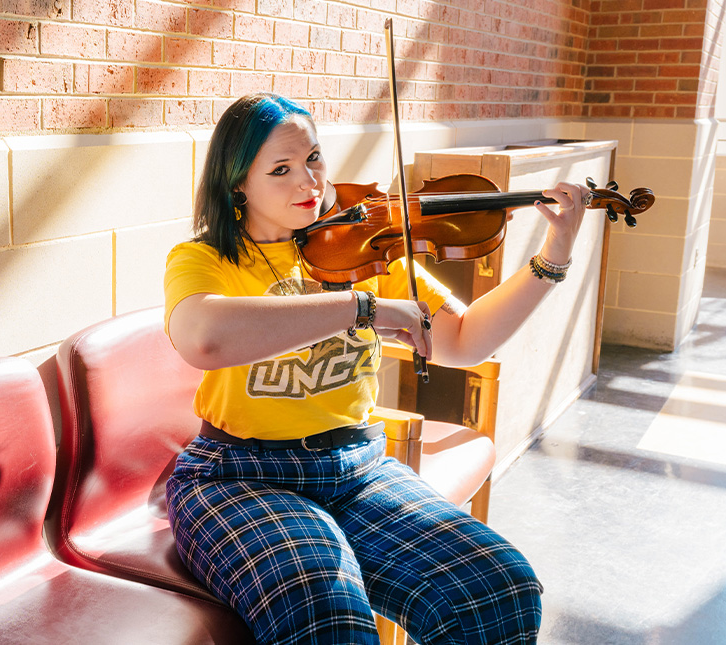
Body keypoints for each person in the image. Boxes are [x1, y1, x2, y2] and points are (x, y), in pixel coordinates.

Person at [163, 93, 584, 644]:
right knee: (328, 616)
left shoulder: (363, 249)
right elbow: (204, 338)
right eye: (281, 169)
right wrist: (360, 307)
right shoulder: (204, 259)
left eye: (314, 159)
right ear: (238, 182)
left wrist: (555, 251)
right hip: (238, 476)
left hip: (358, 468)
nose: (308, 183)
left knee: (499, 585)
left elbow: (463, 340)